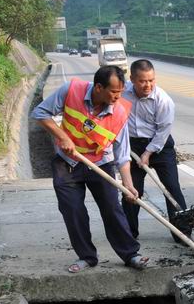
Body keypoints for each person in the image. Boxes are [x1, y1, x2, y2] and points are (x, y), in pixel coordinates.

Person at [32, 66, 149, 273]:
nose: (118, 97)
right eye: (114, 92)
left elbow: (122, 154)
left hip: (100, 163)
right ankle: (86, 257)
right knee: (72, 210)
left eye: (121, 92)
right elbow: (40, 112)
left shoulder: (119, 112)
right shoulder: (71, 90)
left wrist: (128, 185)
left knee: (112, 208)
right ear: (98, 88)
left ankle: (131, 254)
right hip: (67, 162)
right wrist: (63, 137)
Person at [121, 59, 188, 242]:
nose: (148, 85)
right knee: (131, 190)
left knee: (171, 188)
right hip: (132, 146)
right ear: (132, 79)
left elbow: (163, 131)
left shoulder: (163, 100)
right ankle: (128, 234)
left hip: (160, 146)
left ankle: (182, 234)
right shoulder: (123, 93)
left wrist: (148, 153)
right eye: (142, 81)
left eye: (151, 80)